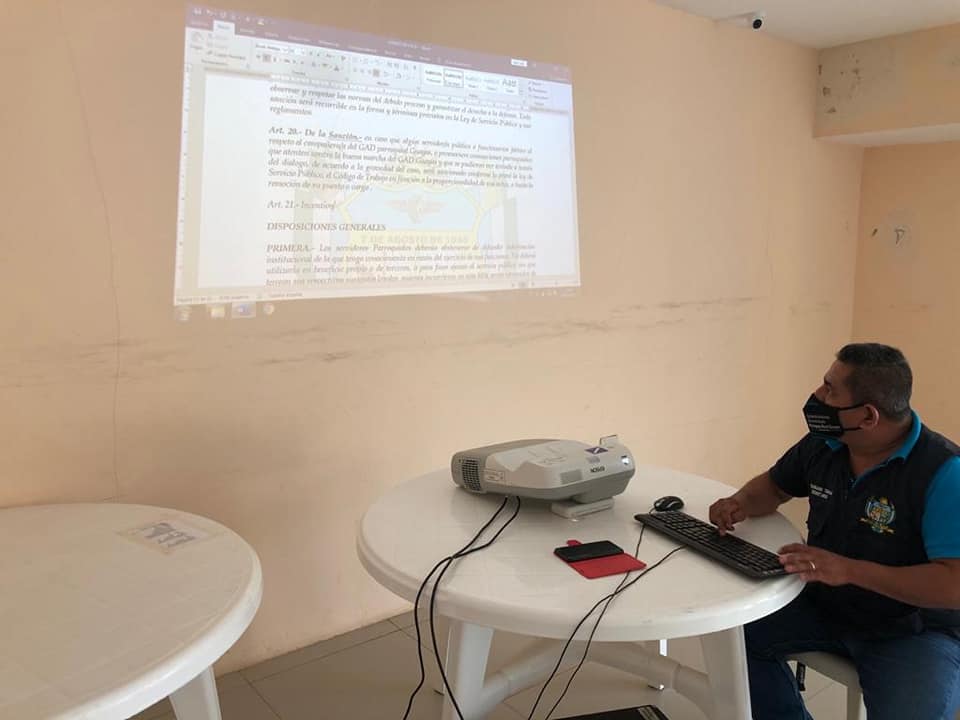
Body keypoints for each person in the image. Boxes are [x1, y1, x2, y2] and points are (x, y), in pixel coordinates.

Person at [709, 343, 960, 720]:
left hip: (911, 632)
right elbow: (775, 486)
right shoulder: (826, 443)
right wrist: (740, 501)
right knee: (733, 634)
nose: (817, 395)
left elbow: (953, 585)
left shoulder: (944, 473)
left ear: (868, 416)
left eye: (830, 389)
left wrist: (848, 570)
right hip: (826, 606)